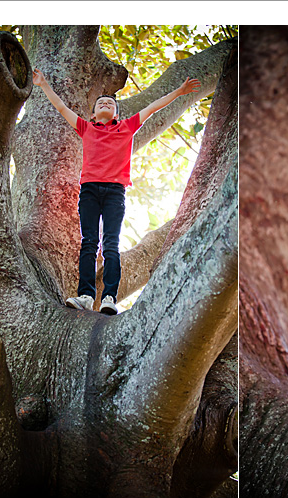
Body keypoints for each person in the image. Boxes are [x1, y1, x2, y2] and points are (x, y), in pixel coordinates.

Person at [32, 68, 201, 314]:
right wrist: (44, 84)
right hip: (89, 191)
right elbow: (61, 108)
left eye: (110, 103)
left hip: (114, 193)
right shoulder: (85, 128)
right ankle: (86, 297)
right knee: (89, 243)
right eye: (101, 102)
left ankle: (109, 298)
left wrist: (181, 91)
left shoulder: (126, 127)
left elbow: (154, 107)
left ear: (116, 112)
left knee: (111, 244)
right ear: (93, 112)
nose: (105, 103)